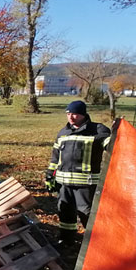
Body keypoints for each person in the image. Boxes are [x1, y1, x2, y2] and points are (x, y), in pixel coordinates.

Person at [45, 100, 111, 244]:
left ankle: (95, 243)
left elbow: (113, 147)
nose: (71, 117)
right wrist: (50, 174)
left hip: (85, 184)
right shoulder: (63, 132)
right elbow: (56, 156)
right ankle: (66, 239)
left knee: (88, 213)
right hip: (64, 184)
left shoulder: (98, 130)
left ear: (83, 114)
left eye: (74, 114)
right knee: (65, 212)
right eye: (68, 114)